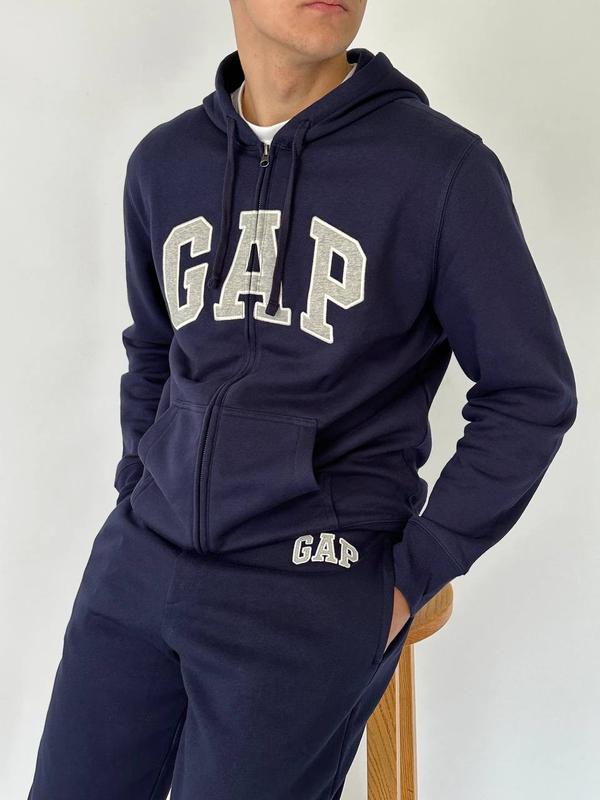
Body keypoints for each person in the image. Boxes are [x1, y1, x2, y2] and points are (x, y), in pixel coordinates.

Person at [27, 1, 578, 798]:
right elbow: (153, 351)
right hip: (136, 571)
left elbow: (530, 392)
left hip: (307, 592)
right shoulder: (164, 163)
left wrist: (405, 580)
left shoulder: (440, 170)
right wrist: (137, 488)